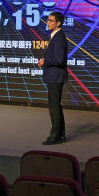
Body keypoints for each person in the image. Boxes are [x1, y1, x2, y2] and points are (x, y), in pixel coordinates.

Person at [37, 11, 68, 144]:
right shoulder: (56, 36)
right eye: (48, 20)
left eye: (51, 21)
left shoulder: (59, 37)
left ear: (58, 23)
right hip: (54, 76)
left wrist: (45, 61)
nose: (48, 23)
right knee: (56, 106)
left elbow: (59, 60)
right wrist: (46, 59)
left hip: (56, 76)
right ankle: (60, 135)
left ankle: (55, 137)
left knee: (54, 107)